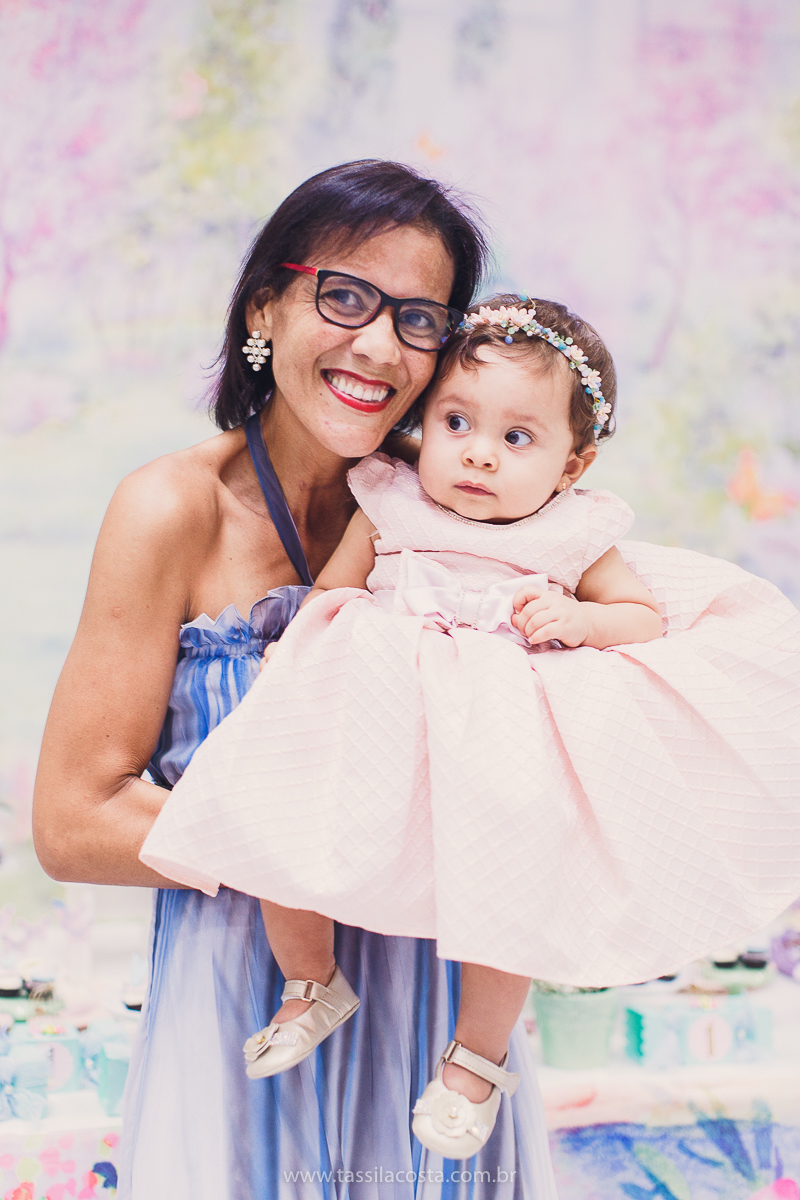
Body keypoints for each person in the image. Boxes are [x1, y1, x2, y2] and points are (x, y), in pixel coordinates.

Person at [141, 294, 800, 1160]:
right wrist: (295, 664)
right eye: (457, 421)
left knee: (507, 896)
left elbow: (639, 616)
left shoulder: (572, 534)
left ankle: (476, 1061)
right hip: (376, 716)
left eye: (517, 439)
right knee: (280, 829)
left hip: (493, 746)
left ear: (573, 465)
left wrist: (580, 620)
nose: (479, 454)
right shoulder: (391, 499)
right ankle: (312, 981)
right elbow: (334, 594)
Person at [32, 162, 559, 1200]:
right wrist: (320, 838)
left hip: (442, 1033)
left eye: (417, 318)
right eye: (345, 296)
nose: (377, 345)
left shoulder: (463, 511)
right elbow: (71, 820)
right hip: (251, 1013)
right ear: (265, 305)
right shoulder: (170, 509)